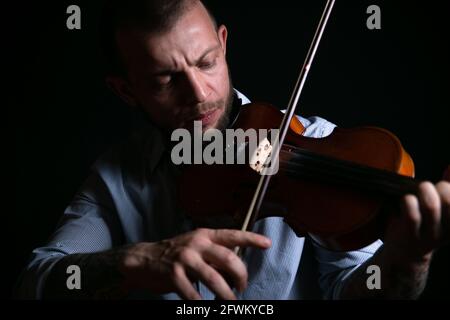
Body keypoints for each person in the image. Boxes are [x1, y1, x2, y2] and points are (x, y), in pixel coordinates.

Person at [15, 0, 450, 300]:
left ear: (223, 43)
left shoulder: (316, 143)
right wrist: (137, 261)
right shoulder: (118, 178)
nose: (199, 93)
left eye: (206, 62)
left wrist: (406, 261)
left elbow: (357, 292)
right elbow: (39, 281)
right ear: (126, 91)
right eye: (165, 79)